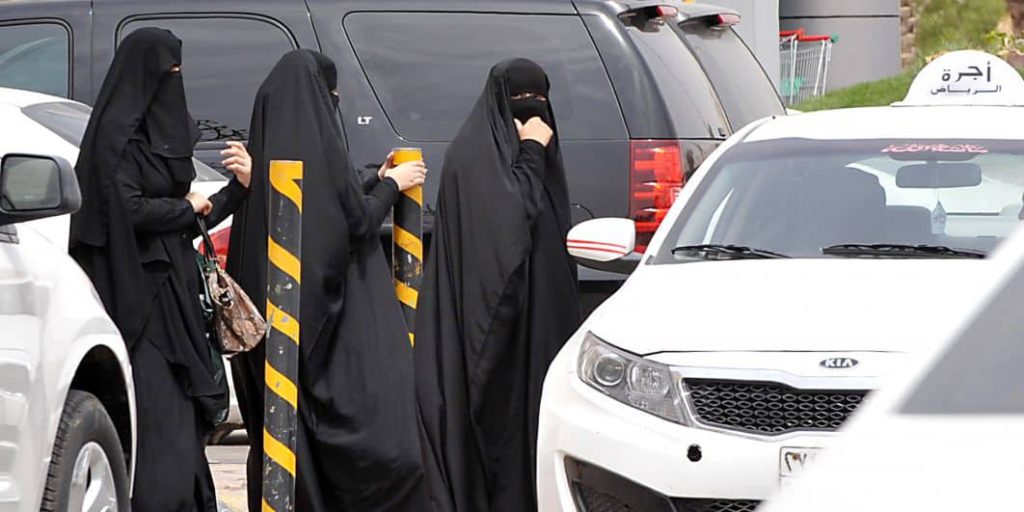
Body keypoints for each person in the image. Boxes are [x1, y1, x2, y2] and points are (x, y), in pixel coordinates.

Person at [227, 49, 429, 512]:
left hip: (279, 343)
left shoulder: (265, 166)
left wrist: (373, 179)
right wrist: (393, 185)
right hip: (329, 338)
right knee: (390, 440)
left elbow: (327, 196)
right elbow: (353, 222)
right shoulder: (317, 150)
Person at [69, 27, 252, 511]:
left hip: (173, 302)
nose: (177, 82)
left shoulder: (152, 142)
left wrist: (237, 190)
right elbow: (125, 211)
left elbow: (183, 221)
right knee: (157, 418)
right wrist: (186, 206)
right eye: (169, 72)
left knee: (182, 419)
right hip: (136, 306)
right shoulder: (115, 144)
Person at [414, 58, 582, 512]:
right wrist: (531, 151)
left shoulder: (541, 161)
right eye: (521, 103)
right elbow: (507, 230)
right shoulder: (474, 159)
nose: (533, 114)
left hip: (537, 328)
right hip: (492, 335)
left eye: (541, 102)